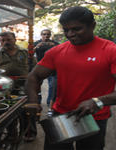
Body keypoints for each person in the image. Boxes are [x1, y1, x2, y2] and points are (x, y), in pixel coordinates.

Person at [24, 6, 116, 150]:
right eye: (66, 30)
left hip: (95, 118)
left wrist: (97, 101)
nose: (70, 34)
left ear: (92, 26)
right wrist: (34, 102)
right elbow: (33, 76)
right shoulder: (57, 51)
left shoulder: (110, 51)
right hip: (61, 115)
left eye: (76, 29)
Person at [0, 31, 38, 142]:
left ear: (15, 40)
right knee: (8, 112)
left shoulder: (26, 52)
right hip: (6, 89)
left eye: (8, 39)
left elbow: (36, 69)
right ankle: (12, 133)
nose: (6, 42)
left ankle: (30, 133)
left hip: (25, 87)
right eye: (2, 40)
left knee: (28, 110)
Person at [33, 29, 59, 106]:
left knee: (51, 85)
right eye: (44, 34)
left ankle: (49, 102)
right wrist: (37, 46)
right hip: (40, 67)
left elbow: (61, 52)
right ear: (41, 35)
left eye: (48, 34)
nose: (46, 36)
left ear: (50, 35)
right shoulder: (37, 43)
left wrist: (54, 46)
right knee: (37, 85)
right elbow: (30, 53)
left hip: (52, 67)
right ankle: (38, 101)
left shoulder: (54, 43)